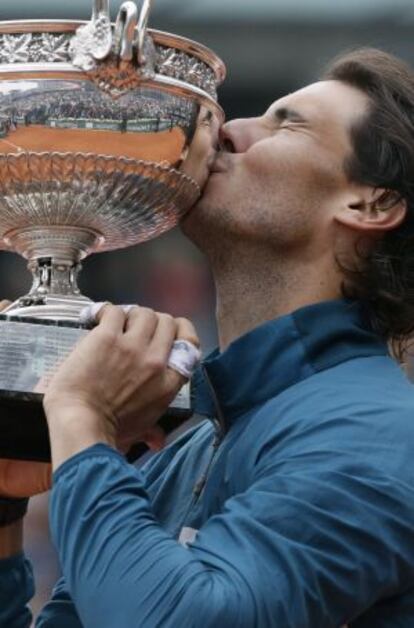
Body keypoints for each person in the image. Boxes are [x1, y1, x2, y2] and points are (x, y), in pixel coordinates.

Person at [1, 47, 414, 627]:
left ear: (371, 203)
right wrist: (4, 509)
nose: (227, 130)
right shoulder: (196, 445)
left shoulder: (378, 436)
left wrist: (83, 417)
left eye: (286, 123)